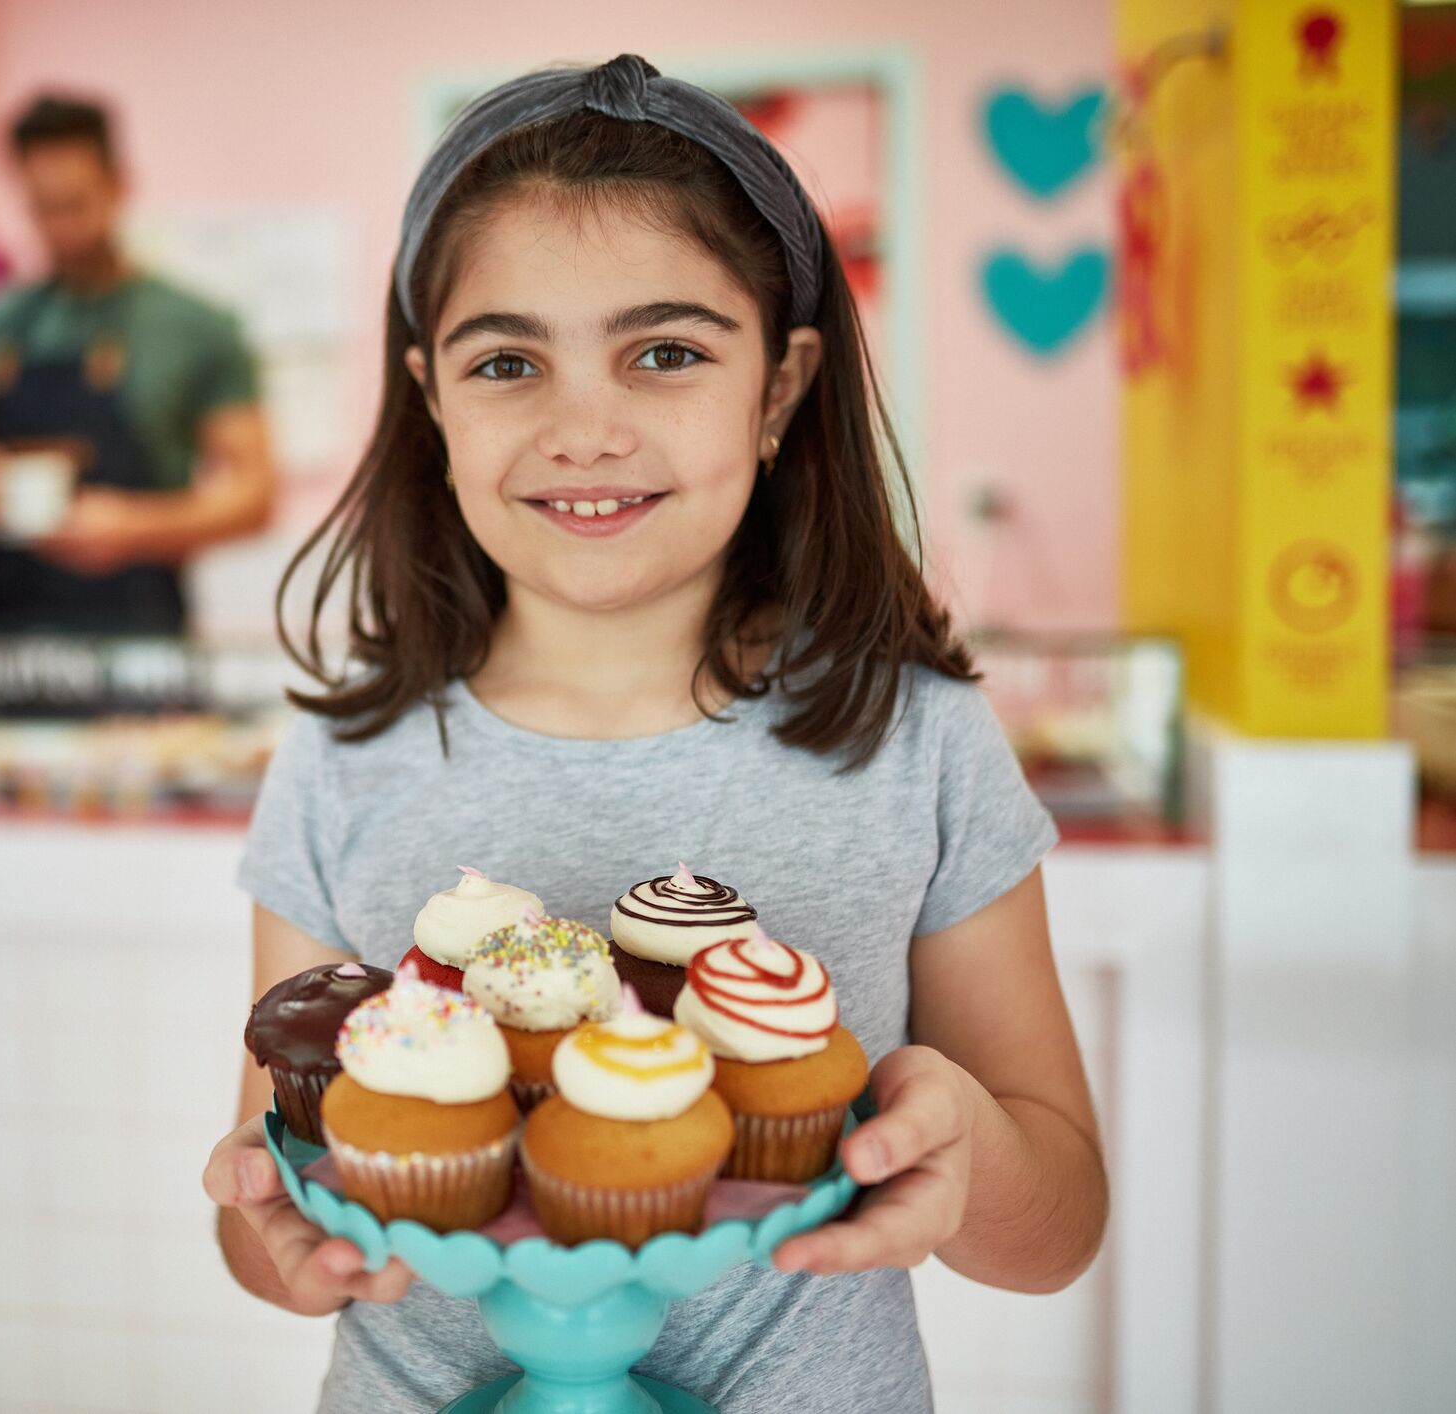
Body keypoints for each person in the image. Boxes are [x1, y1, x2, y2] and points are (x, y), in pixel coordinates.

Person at [200, 55, 1106, 1411]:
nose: (583, 428)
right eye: (507, 361)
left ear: (783, 384)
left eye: (666, 352)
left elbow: (1058, 1229)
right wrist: (272, 1237)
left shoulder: (916, 741)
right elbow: (272, 1176)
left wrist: (968, 1144)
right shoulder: (344, 757)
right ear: (431, 398)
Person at [0, 94, 276, 636]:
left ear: (119, 185)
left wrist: (134, 527)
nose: (62, 227)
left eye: (76, 203)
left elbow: (255, 494)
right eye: (42, 207)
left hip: (142, 653)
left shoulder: (195, 327)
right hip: (4, 658)